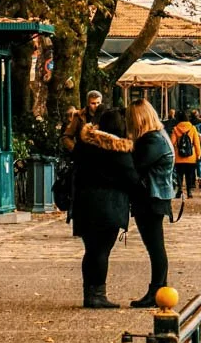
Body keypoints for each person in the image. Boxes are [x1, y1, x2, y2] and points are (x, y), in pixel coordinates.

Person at [71, 107, 139, 309]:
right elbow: (131, 179)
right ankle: (98, 294)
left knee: (90, 250)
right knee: (102, 250)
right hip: (108, 205)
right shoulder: (117, 150)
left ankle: (89, 292)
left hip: (84, 203)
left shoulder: (85, 145)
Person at [123, 101, 175, 308]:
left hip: (152, 198)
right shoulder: (159, 136)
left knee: (155, 246)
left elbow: (135, 167)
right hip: (156, 196)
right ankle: (159, 288)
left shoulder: (152, 141)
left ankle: (157, 290)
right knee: (155, 246)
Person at [169, 109, 201, 198]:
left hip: (179, 157)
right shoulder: (192, 128)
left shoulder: (175, 129)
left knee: (179, 174)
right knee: (189, 174)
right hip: (191, 156)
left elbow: (172, 143)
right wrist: (199, 154)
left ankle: (179, 190)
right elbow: (196, 143)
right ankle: (189, 191)